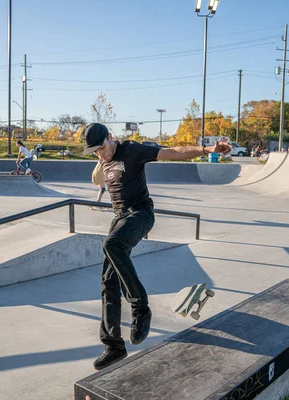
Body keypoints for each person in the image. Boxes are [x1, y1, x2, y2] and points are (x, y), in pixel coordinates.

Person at [82, 123, 231, 370]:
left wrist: (205, 149)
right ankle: (113, 346)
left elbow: (174, 151)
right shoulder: (102, 160)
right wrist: (100, 159)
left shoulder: (133, 150)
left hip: (140, 214)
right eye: (96, 151)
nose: (101, 154)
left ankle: (140, 307)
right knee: (108, 282)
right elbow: (97, 178)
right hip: (119, 218)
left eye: (102, 148)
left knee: (112, 245)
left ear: (110, 137)